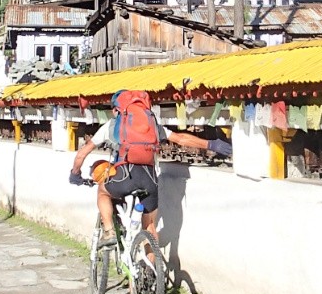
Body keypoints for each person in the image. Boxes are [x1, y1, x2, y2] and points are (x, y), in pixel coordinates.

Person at [69, 90, 231, 246]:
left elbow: (82, 154)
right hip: (150, 180)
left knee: (103, 191)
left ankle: (109, 231)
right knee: (149, 227)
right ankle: (151, 271)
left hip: (124, 178)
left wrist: (75, 174)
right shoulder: (152, 125)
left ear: (116, 110)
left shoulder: (111, 126)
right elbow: (180, 139)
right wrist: (211, 144)